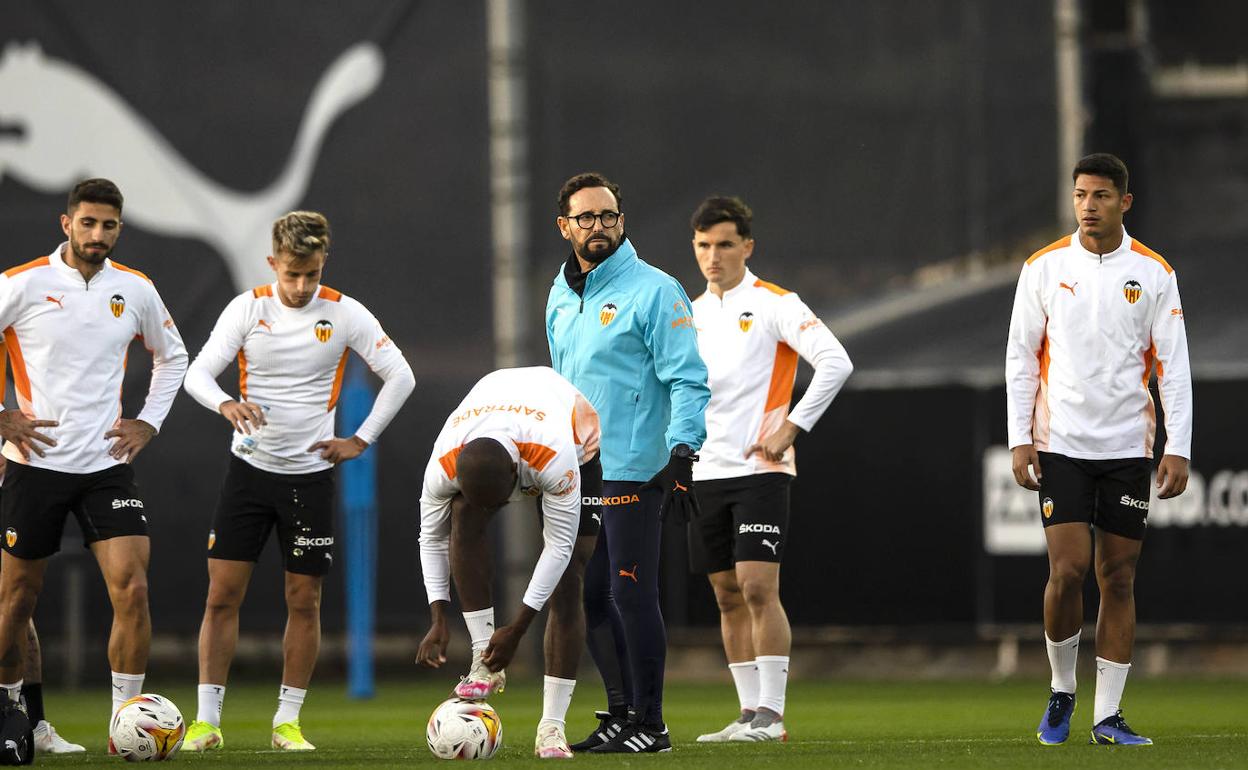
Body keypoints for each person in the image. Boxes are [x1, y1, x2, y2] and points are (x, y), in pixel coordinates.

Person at [181, 211, 415, 752]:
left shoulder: (345, 312)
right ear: (272, 264)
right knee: (221, 596)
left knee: (303, 600)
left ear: (323, 264)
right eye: (291, 275)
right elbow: (197, 373)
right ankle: (207, 723)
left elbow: (401, 375)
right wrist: (226, 404)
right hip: (248, 473)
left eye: (310, 274)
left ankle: (287, 724)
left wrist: (361, 439)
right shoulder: (247, 308)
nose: (302, 286)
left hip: (309, 480)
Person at [1006, 153, 1192, 747]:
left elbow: (1175, 369)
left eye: (1102, 196)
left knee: (1119, 576)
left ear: (1124, 202)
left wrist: (1177, 445)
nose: (1089, 205)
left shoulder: (1154, 273)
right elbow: (1019, 358)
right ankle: (1062, 688)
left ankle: (1107, 716)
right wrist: (1019, 438)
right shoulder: (1042, 267)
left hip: (1128, 448)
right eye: (1081, 194)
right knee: (1067, 571)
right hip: (1060, 442)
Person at [0, 178, 188, 757]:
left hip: (106, 466)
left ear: (119, 229)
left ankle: (124, 725)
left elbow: (173, 356)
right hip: (34, 465)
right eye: (88, 223)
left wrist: (149, 423)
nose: (97, 234)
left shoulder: (135, 289)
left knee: (132, 588)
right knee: (16, 601)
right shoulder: (21, 283)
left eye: (108, 225)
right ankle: (14, 717)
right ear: (66, 223)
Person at [546, 172, 710, 753]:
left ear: (622, 220)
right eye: (585, 218)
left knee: (631, 593)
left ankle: (654, 724)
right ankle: (621, 715)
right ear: (564, 226)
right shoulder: (561, 295)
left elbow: (689, 379)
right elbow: (559, 387)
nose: (599, 227)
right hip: (580, 471)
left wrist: (684, 451)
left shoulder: (657, 290)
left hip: (637, 467)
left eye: (608, 216)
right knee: (589, 598)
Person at [684, 197, 853, 743]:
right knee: (726, 593)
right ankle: (747, 714)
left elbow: (835, 360)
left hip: (761, 469)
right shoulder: (689, 313)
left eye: (726, 244)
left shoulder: (776, 303)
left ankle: (773, 716)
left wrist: (791, 429)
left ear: (747, 247)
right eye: (705, 245)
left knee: (758, 586)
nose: (715, 256)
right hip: (705, 472)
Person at [415, 366, 603, 759]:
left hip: (574, 432)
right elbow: (431, 538)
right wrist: (438, 615)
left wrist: (517, 628)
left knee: (569, 581)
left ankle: (552, 728)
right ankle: (483, 662)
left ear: (517, 476)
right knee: (464, 518)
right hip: (495, 402)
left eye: (498, 502)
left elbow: (559, 548)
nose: (496, 510)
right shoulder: (443, 465)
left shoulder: (554, 455)